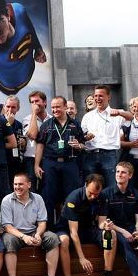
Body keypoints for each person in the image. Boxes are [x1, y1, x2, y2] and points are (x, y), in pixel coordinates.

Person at [56, 174, 121, 276]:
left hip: (87, 229)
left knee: (111, 234)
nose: (93, 197)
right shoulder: (74, 198)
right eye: (91, 193)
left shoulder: (102, 197)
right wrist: (82, 257)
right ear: (85, 185)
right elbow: (73, 232)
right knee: (64, 241)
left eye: (96, 194)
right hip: (67, 230)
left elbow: (101, 222)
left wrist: (106, 226)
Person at [0, 173, 62, 276]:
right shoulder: (7, 200)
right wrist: (24, 237)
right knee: (9, 241)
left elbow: (42, 222)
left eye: (21, 184)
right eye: (15, 184)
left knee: (53, 239)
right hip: (15, 233)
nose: (17, 187)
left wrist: (38, 235)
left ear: (29, 185)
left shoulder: (38, 199)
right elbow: (7, 227)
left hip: (34, 231)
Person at [34, 96, 85, 228]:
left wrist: (78, 146)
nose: (55, 110)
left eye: (58, 107)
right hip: (50, 163)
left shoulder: (75, 124)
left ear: (65, 107)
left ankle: (68, 228)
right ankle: (49, 228)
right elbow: (40, 146)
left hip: (70, 163)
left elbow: (83, 145)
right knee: (48, 196)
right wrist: (36, 165)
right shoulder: (47, 125)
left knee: (71, 197)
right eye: (53, 107)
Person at [80, 85, 132, 188]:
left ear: (108, 97)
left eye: (101, 96)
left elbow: (131, 117)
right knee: (91, 185)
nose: (97, 98)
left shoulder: (116, 113)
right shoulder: (88, 116)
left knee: (111, 185)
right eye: (96, 96)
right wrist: (86, 137)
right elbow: (82, 134)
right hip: (91, 154)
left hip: (108, 155)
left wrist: (120, 113)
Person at [22, 91, 50, 188]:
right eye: (32, 102)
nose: (34, 104)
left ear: (44, 102)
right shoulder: (27, 119)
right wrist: (34, 114)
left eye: (37, 101)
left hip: (48, 158)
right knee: (31, 188)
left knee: (47, 188)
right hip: (31, 159)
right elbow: (33, 135)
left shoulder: (52, 119)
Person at [2, 95, 24, 184]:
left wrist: (23, 142)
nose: (10, 110)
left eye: (13, 107)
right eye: (8, 107)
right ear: (4, 107)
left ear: (18, 108)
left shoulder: (19, 124)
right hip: (2, 161)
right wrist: (8, 124)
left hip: (15, 162)